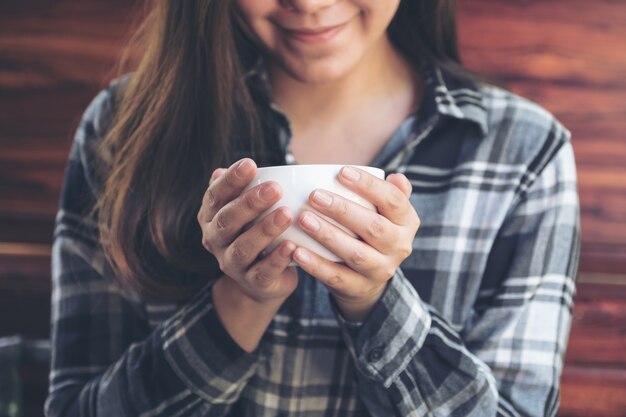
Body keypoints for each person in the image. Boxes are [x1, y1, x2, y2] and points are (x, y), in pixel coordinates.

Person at [45, 0, 580, 416]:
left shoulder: (523, 153)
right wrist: (241, 300)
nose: (309, 3)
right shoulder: (124, 129)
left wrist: (377, 301)